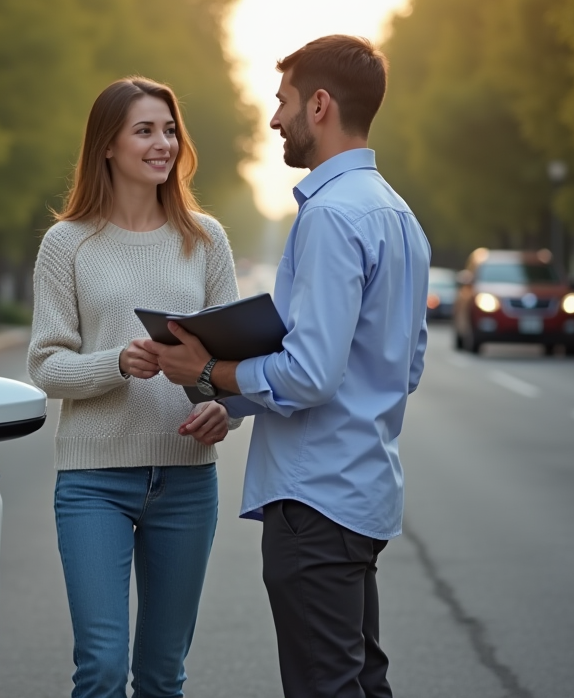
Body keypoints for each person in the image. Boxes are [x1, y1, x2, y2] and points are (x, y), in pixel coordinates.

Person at [150, 35, 430, 698]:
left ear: (321, 105)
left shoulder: (332, 216)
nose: (276, 118)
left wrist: (208, 370)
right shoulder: (398, 215)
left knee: (325, 688)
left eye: (284, 102)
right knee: (359, 682)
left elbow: (309, 374)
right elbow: (403, 366)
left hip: (316, 499)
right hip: (361, 492)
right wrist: (236, 396)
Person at [27, 77, 242, 698]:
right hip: (95, 483)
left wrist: (224, 412)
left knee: (161, 675)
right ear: (107, 146)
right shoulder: (66, 244)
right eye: (144, 130)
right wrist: (116, 362)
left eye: (169, 129)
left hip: (187, 481)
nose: (163, 143)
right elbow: (46, 366)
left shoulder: (205, 239)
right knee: (99, 668)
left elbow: (230, 365)